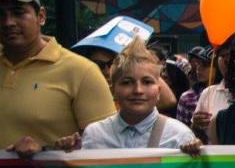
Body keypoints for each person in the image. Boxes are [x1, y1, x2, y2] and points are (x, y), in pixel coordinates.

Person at [1, 0, 116, 158]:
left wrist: (47, 151)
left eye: (18, 12)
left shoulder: (81, 72)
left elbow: (109, 146)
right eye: (0, 15)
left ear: (41, 16)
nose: (8, 22)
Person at [55, 39, 201, 152]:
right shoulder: (94, 135)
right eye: (127, 82)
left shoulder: (179, 136)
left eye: (147, 82)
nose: (138, 90)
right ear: (113, 90)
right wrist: (67, 156)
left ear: (158, 90)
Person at [191, 39, 235, 138]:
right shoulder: (208, 93)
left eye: (231, 55)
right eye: (222, 55)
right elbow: (198, 136)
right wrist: (196, 125)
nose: (226, 60)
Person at [175, 46, 213, 126]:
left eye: (205, 65)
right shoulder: (188, 97)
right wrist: (195, 125)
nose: (198, 68)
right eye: (198, 64)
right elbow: (181, 134)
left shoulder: (230, 95)